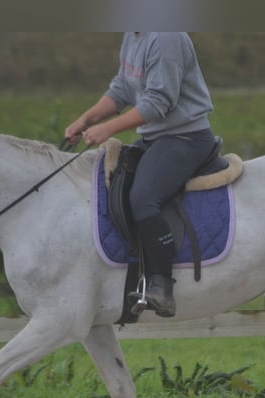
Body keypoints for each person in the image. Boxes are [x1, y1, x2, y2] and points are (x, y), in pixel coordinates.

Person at [64, 32, 217, 318]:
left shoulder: (166, 37)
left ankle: (161, 286)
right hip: (155, 138)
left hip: (184, 138)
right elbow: (122, 88)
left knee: (143, 198)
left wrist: (108, 129)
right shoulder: (133, 35)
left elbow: (159, 101)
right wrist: (86, 119)